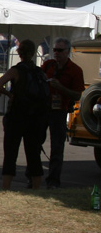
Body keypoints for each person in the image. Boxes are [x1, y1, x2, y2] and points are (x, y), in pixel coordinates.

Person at [0, 39, 47, 190]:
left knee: (10, 153)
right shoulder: (39, 72)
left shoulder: (15, 70)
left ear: (19, 52)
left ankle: (6, 188)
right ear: (32, 53)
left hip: (16, 117)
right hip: (34, 118)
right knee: (33, 154)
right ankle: (37, 188)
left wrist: (10, 95)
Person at [41, 37, 84, 188]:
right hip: (43, 109)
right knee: (34, 142)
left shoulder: (75, 70)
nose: (56, 53)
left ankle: (53, 181)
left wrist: (61, 88)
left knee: (57, 147)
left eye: (60, 50)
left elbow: (78, 95)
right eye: (54, 50)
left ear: (68, 51)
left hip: (59, 111)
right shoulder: (48, 65)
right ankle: (33, 177)